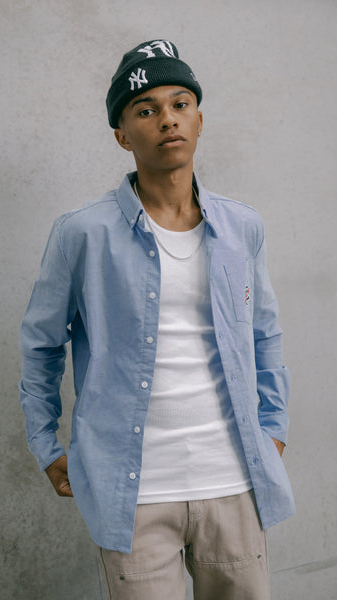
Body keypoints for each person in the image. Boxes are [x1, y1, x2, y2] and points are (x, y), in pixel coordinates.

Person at [19, 40, 295, 599]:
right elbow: (40, 344)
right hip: (134, 493)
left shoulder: (242, 227)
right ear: (123, 135)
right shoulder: (82, 232)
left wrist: (273, 427)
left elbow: (263, 331)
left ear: (198, 120)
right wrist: (46, 444)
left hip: (234, 481)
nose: (167, 119)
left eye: (180, 104)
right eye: (145, 110)